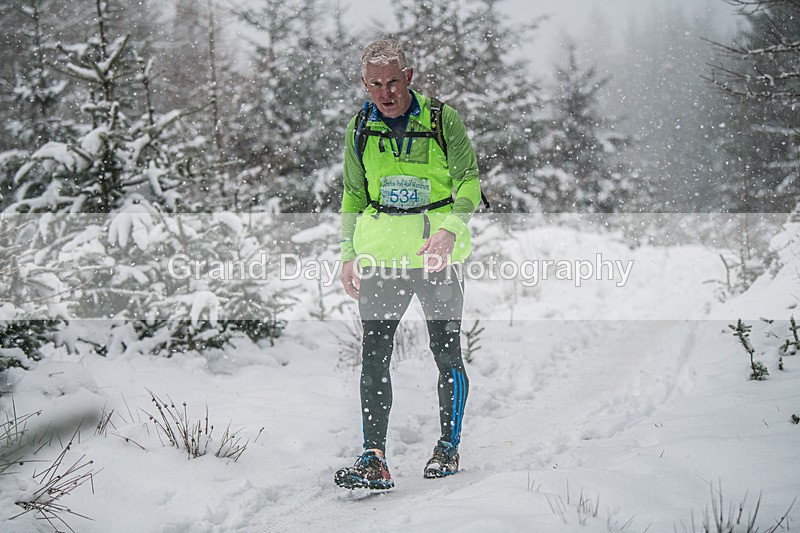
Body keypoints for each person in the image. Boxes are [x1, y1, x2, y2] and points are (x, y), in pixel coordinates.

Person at [334, 38, 483, 490]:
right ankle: (373, 457)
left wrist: (449, 229)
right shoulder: (359, 127)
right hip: (381, 258)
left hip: (437, 257)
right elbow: (354, 196)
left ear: (409, 77)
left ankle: (448, 448)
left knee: (446, 352)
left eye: (393, 81)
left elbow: (470, 183)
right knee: (374, 356)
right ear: (365, 85)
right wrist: (346, 254)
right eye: (376, 84)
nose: (386, 92)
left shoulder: (441, 120)